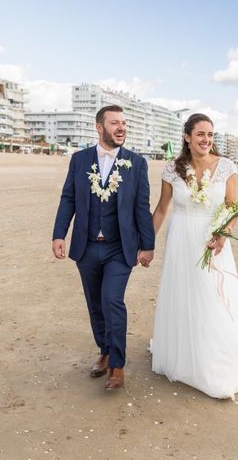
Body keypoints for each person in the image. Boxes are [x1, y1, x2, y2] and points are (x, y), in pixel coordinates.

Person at [149, 113, 238, 400]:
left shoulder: (226, 167)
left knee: (211, 297)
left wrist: (223, 234)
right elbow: (162, 209)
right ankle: (185, 356)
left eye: (210, 135)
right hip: (180, 240)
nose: (206, 140)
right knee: (184, 295)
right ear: (187, 137)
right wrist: (146, 244)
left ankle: (215, 364)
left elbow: (233, 208)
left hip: (210, 242)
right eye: (200, 134)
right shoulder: (171, 170)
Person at [52, 105, 155, 391]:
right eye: (114, 123)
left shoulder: (136, 163)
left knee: (112, 301)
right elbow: (68, 198)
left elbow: (141, 207)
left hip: (119, 249)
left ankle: (117, 367)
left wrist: (148, 245)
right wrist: (59, 234)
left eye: (124, 123)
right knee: (95, 305)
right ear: (99, 127)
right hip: (86, 247)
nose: (121, 128)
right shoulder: (79, 160)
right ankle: (105, 350)